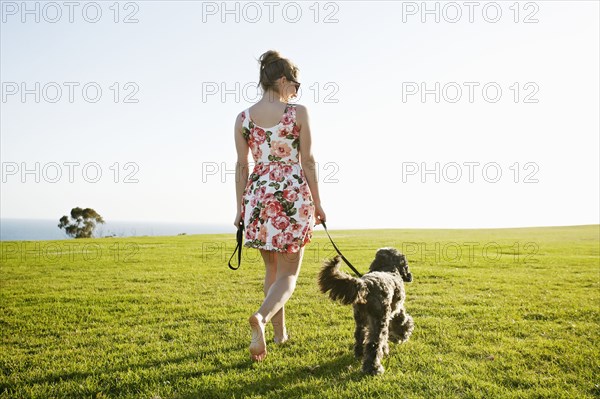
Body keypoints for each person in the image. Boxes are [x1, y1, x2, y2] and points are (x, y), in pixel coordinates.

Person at [233, 50, 326, 362]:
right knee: (288, 274)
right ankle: (261, 317)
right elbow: (308, 160)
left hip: (258, 196)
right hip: (291, 194)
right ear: (284, 80)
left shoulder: (243, 118)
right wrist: (318, 203)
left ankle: (279, 334)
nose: (297, 91)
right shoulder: (298, 113)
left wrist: (239, 209)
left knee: (271, 269)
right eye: (295, 83)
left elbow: (241, 167)